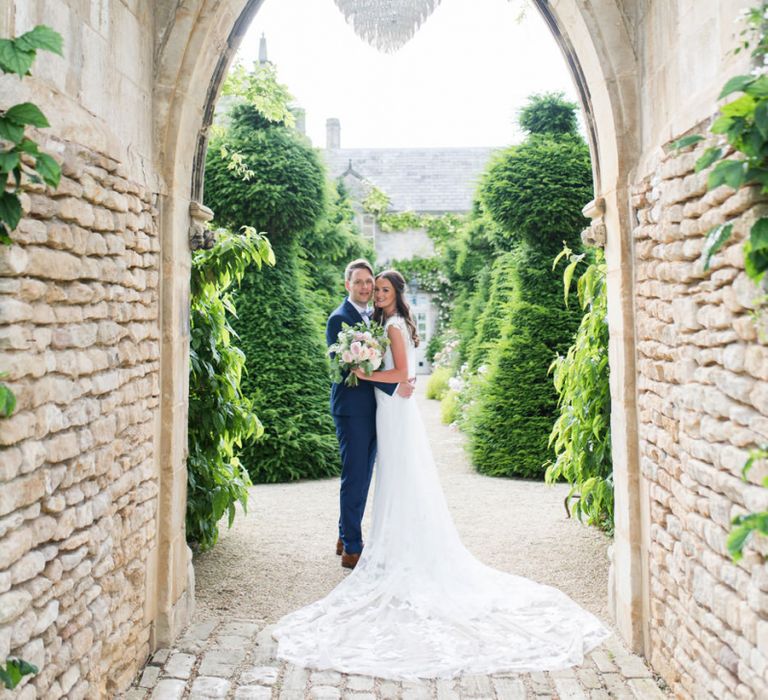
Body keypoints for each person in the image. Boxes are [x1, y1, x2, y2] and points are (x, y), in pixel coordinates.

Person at [273, 269, 609, 680]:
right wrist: (371, 376)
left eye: (380, 288)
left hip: (391, 409)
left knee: (395, 478)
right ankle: (357, 540)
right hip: (375, 410)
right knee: (377, 478)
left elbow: (400, 375)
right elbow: (372, 371)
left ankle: (384, 544)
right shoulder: (359, 320)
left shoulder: (391, 324)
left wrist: (370, 375)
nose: (373, 292)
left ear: (395, 294)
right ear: (350, 285)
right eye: (369, 286)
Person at [325, 259, 415, 570]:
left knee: (363, 476)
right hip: (352, 411)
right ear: (347, 284)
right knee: (356, 476)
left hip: (378, 409)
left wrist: (402, 378)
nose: (366, 287)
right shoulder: (339, 319)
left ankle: (343, 534)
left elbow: (388, 360)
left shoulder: (375, 317)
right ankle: (352, 547)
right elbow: (342, 368)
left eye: (370, 282)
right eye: (360, 282)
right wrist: (394, 379)